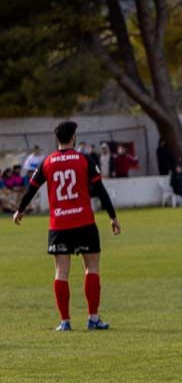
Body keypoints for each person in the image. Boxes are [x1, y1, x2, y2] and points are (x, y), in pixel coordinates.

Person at [12, 120, 122, 331]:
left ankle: (65, 321)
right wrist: (113, 217)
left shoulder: (47, 162)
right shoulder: (84, 160)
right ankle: (93, 318)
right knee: (92, 268)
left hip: (59, 225)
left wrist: (20, 210)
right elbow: (100, 190)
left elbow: (31, 189)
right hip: (84, 223)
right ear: (73, 137)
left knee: (61, 272)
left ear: (57, 139)